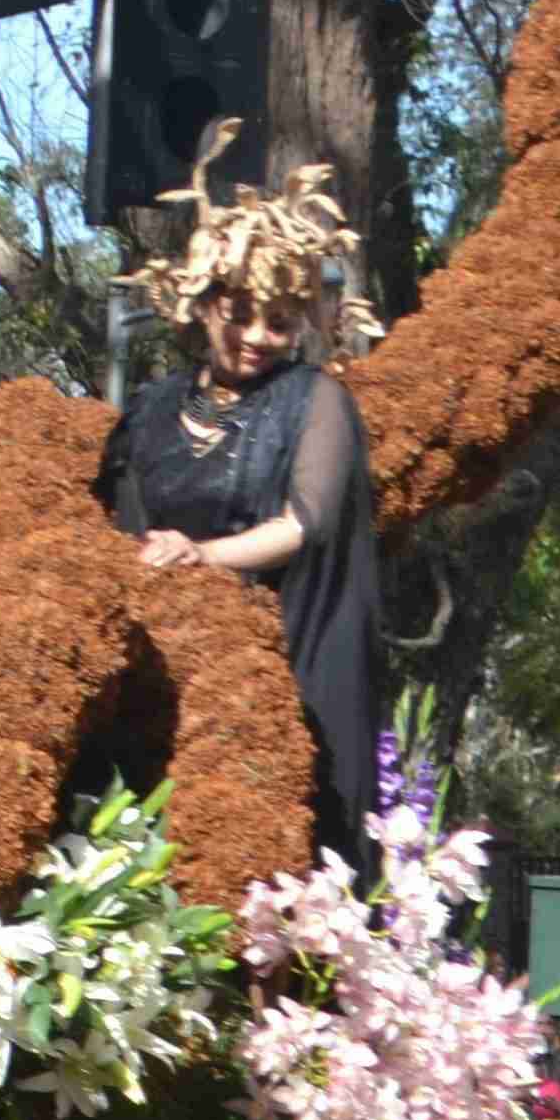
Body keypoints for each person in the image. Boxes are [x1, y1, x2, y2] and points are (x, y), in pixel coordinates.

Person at [97, 128, 387, 854]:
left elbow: (304, 524)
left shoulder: (314, 400)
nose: (259, 336)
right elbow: (120, 522)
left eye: (281, 323)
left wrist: (204, 554)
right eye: (242, 315)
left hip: (283, 654)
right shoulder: (152, 408)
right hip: (167, 660)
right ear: (204, 305)